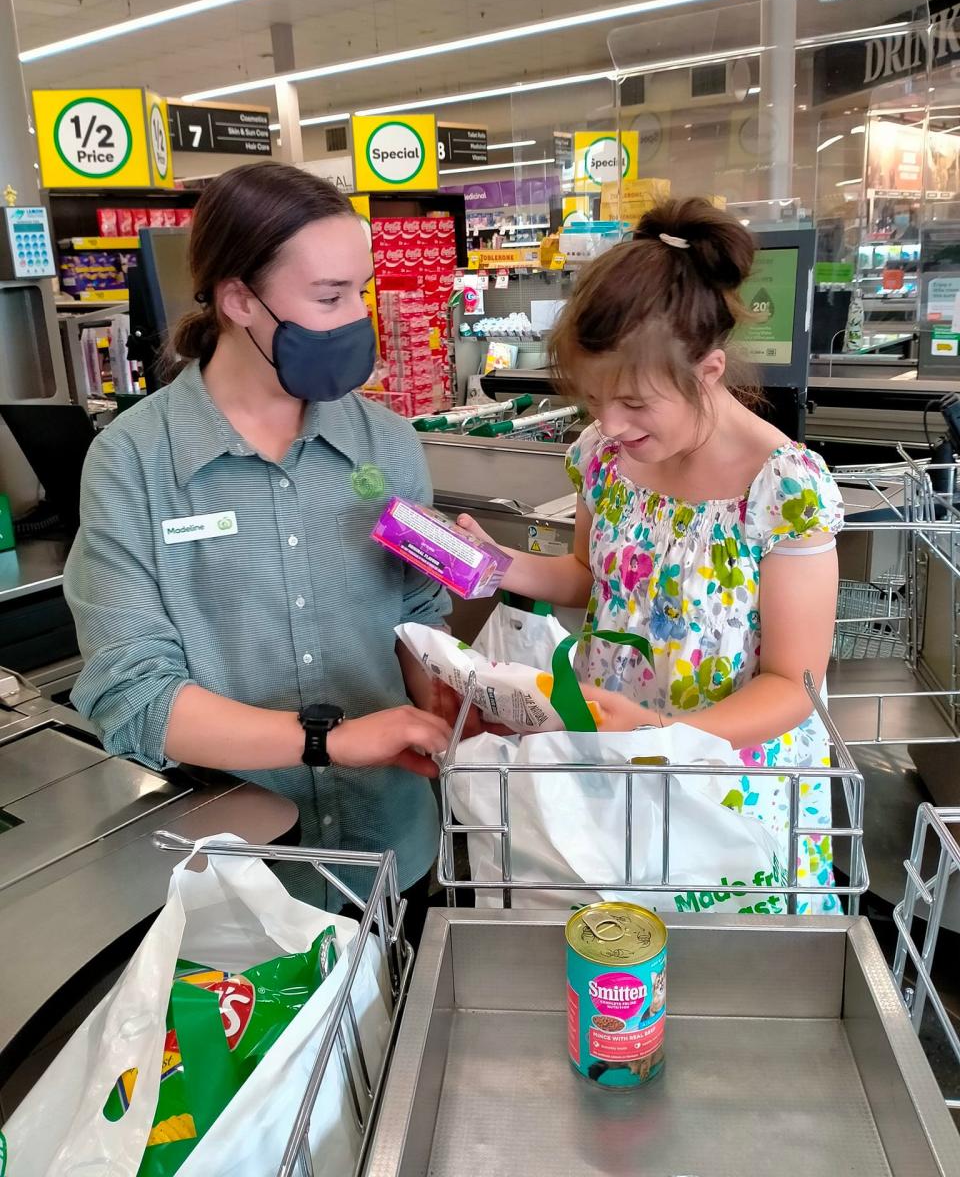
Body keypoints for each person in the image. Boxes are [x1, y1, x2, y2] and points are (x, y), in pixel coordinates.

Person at [64, 162, 455, 938]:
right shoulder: (135, 463)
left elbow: (418, 610)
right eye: (329, 296)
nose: (356, 318)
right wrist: (332, 742)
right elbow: (134, 695)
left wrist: (457, 698)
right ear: (239, 298)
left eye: (361, 291)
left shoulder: (387, 444)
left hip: (398, 852)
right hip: (239, 886)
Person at [459, 198, 843, 912]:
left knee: (734, 984)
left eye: (634, 402)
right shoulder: (604, 459)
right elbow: (589, 580)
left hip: (732, 791)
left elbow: (795, 686)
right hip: (620, 765)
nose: (610, 424)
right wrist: (496, 563)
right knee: (624, 959)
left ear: (709, 370)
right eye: (595, 400)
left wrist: (665, 734)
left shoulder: (785, 489)